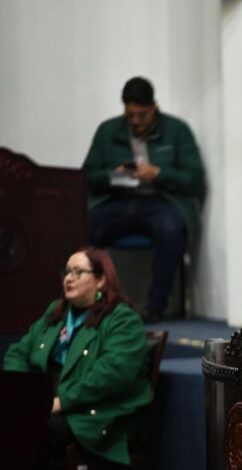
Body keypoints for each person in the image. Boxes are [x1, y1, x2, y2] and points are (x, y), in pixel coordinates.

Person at [3, 247, 151, 468]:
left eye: (78, 272)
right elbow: (18, 352)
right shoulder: (57, 312)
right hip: (49, 401)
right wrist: (23, 395)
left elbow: (110, 376)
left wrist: (60, 401)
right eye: (67, 272)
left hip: (95, 413)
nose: (69, 279)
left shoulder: (122, 319)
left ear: (101, 280)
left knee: (31, 429)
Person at [83, 76, 204, 320]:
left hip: (160, 200)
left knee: (170, 227)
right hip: (116, 201)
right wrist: (111, 175)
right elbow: (86, 176)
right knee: (81, 225)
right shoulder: (108, 131)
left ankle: (155, 307)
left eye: (142, 115)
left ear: (154, 107)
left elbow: (194, 178)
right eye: (131, 116)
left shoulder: (177, 130)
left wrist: (159, 173)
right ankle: (89, 303)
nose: (136, 121)